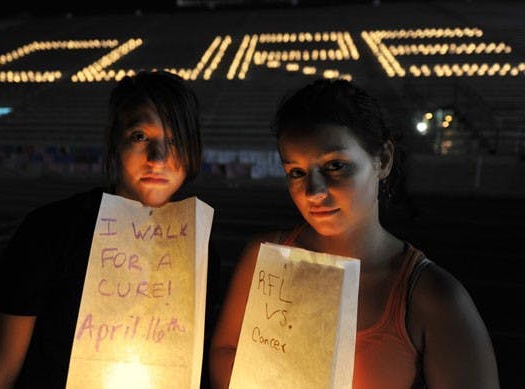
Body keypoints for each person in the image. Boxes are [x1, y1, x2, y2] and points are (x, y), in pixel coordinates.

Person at [209, 78, 500, 388]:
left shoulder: (433, 298)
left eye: (335, 165)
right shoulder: (263, 259)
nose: (313, 192)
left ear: (383, 159)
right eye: (296, 172)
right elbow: (225, 351)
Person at [0, 70, 219, 388]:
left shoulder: (200, 246)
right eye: (140, 136)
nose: (158, 159)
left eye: (174, 140)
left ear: (193, 149)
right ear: (114, 139)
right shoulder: (50, 230)